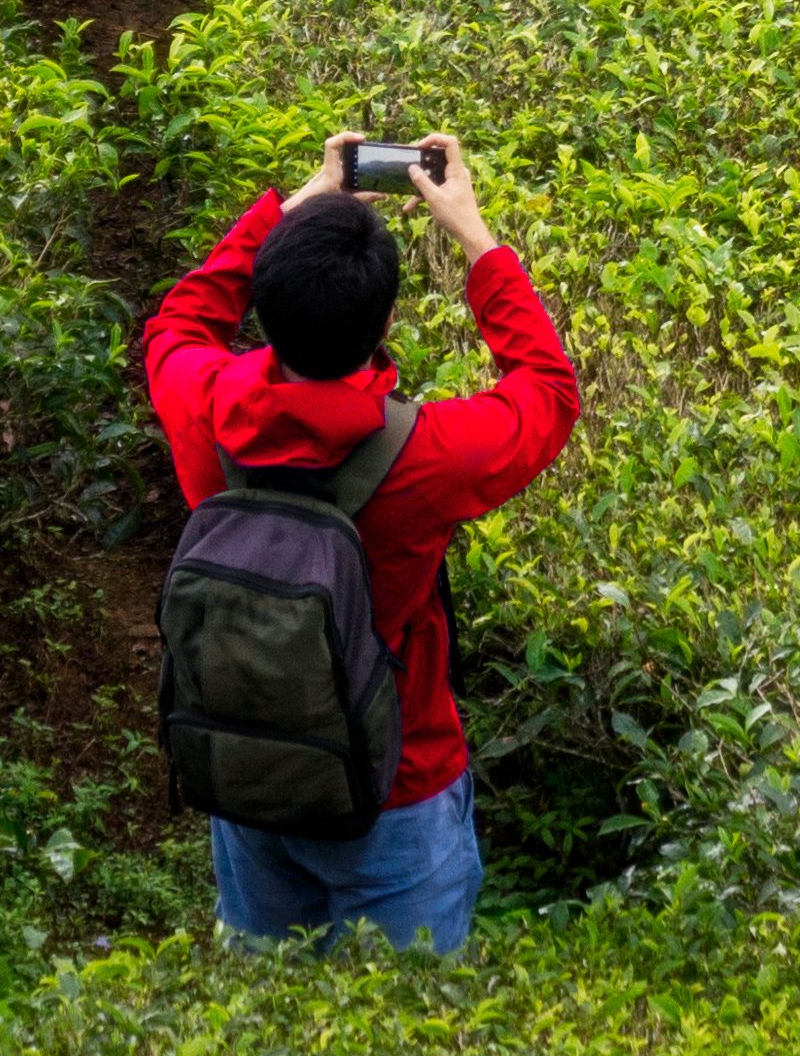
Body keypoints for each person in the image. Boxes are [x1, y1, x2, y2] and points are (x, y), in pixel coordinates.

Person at [139, 131, 582, 957]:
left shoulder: (201, 403)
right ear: (385, 320)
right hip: (398, 787)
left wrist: (297, 203)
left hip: (251, 772)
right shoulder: (426, 454)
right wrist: (474, 235)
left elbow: (182, 316)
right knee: (401, 1046)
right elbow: (549, 393)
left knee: (265, 1029)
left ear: (264, 304)